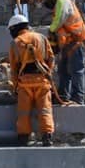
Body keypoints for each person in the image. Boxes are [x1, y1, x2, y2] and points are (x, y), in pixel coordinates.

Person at [35, 0, 85, 105]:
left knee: (76, 70)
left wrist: (51, 30)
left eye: (44, 0)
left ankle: (78, 98)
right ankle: (63, 96)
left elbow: (60, 19)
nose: (45, 4)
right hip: (66, 44)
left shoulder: (63, 1)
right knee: (63, 71)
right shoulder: (58, 5)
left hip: (75, 42)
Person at [7, 13, 56, 146]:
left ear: (14, 28)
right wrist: (48, 74)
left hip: (25, 83)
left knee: (23, 111)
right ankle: (47, 137)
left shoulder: (15, 43)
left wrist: (16, 86)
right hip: (42, 81)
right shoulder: (42, 38)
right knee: (45, 109)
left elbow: (14, 68)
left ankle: (23, 137)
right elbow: (51, 58)